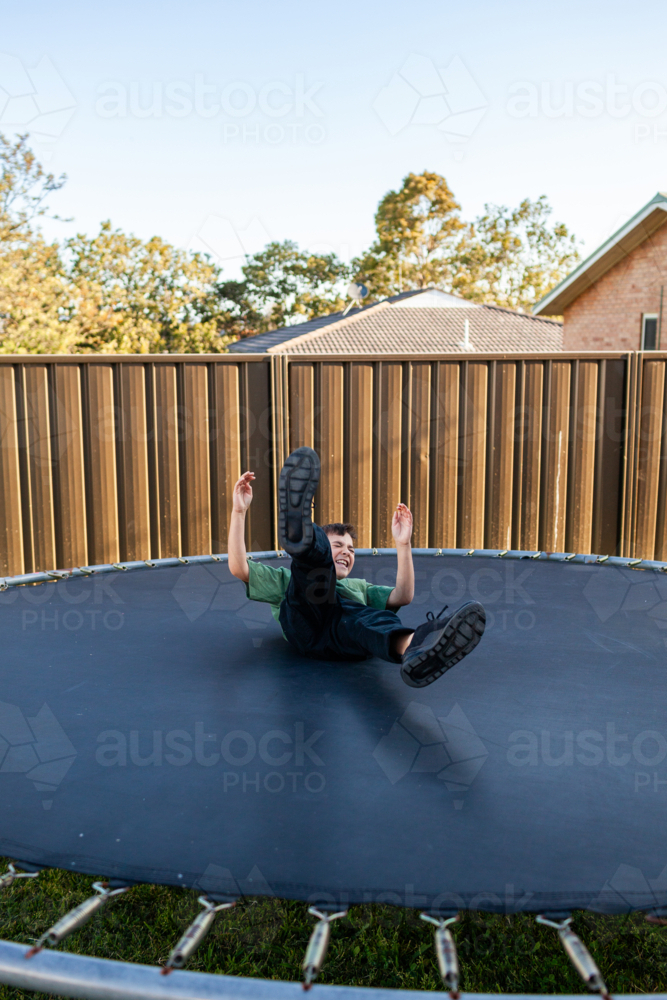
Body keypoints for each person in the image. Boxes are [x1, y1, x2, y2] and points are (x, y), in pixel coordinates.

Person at [228, 447, 485, 688]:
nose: (346, 553)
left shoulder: (359, 588)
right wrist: (239, 512)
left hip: (343, 639)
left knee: (370, 619)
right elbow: (239, 567)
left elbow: (403, 596)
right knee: (314, 572)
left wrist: (403, 543)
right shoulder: (286, 579)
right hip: (305, 625)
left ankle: (415, 648)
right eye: (338, 545)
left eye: (351, 550)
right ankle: (301, 531)